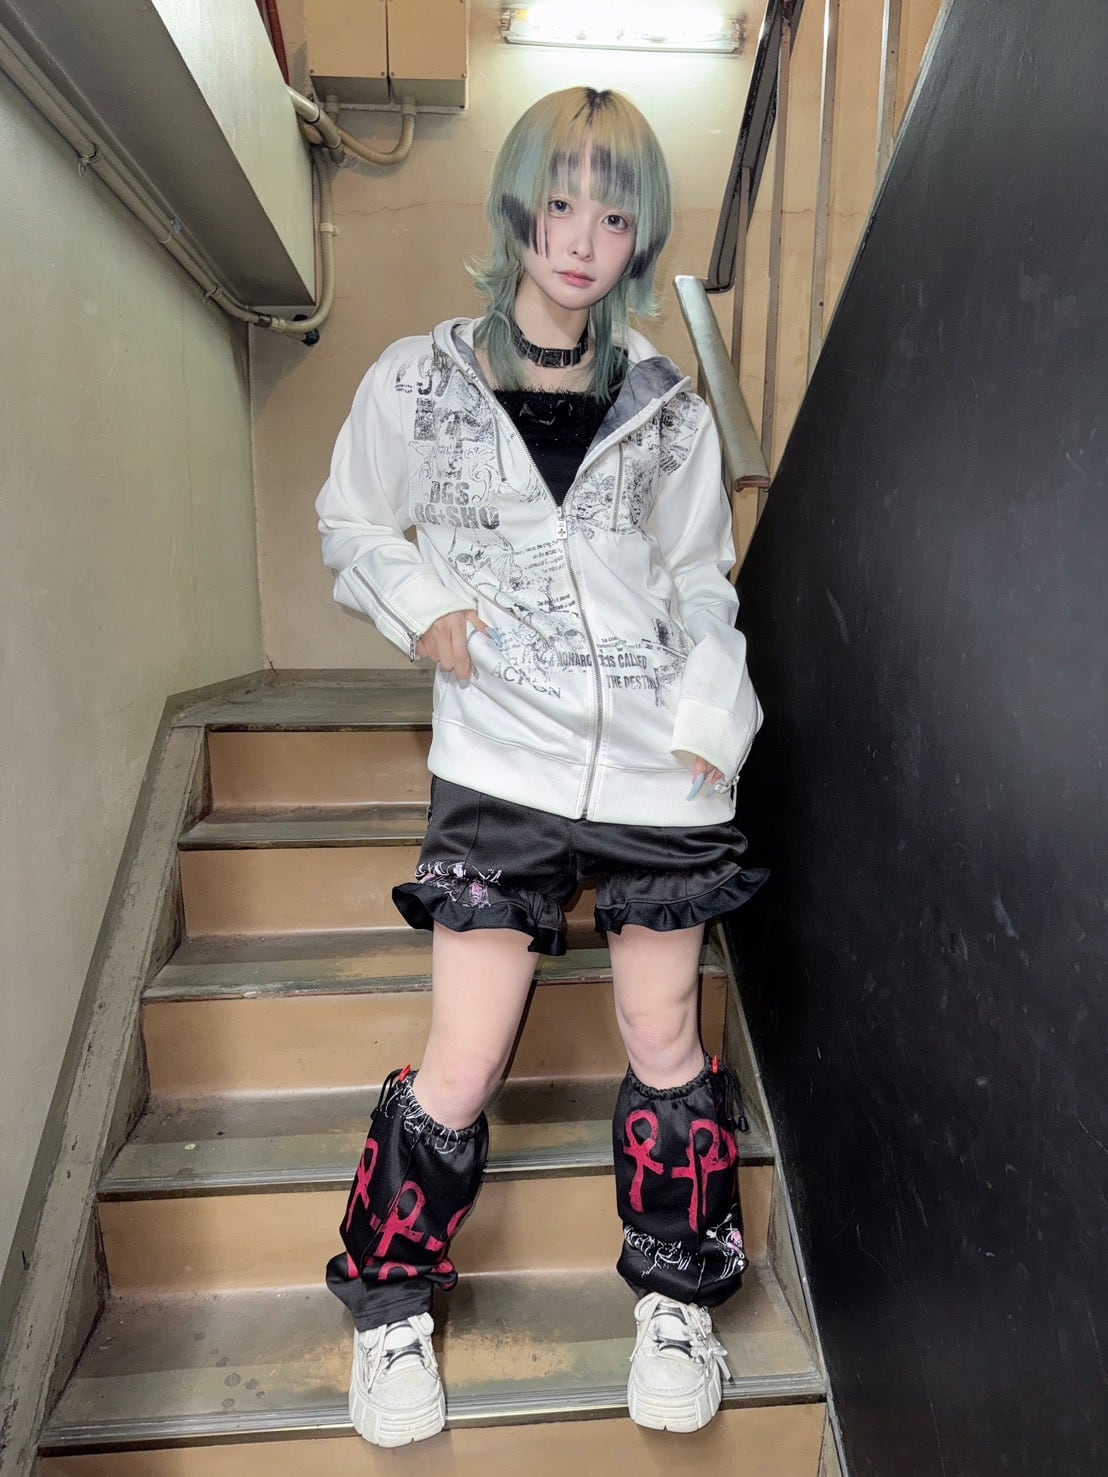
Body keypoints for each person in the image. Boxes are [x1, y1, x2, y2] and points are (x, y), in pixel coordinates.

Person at [315, 86, 766, 1449]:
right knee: (464, 1053)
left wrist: (712, 718)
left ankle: (677, 1299)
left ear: (640, 239)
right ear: (519, 209)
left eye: (614, 217)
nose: (581, 240)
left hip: (659, 777)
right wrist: (420, 606)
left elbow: (702, 580)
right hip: (500, 765)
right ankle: (392, 1304)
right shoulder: (420, 380)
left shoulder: (671, 409)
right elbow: (351, 521)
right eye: (560, 204)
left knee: (665, 1038)